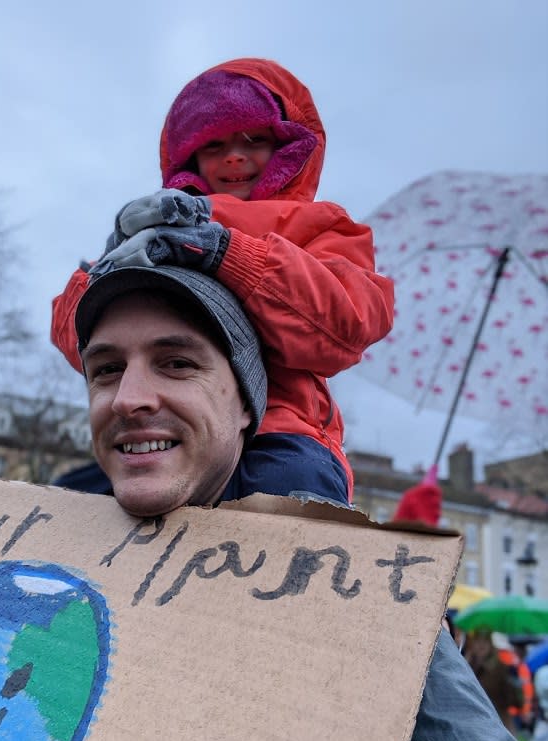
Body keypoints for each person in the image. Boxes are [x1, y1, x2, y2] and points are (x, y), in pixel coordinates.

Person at [67, 261, 548, 741]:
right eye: (106, 369)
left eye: (177, 363)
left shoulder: (361, 598)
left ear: (245, 405)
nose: (129, 397)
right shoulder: (31, 575)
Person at [51, 57, 395, 506]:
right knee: (70, 505)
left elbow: (346, 321)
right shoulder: (159, 225)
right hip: (167, 432)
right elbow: (78, 335)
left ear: (288, 146)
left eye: (254, 139)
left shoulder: (321, 227)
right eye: (214, 145)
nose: (234, 156)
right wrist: (110, 260)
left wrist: (230, 254)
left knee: (293, 501)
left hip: (280, 428)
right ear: (190, 156)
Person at [464, 630, 524, 735]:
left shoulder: (500, 667)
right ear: (472, 643)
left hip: (499, 726)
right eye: (477, 641)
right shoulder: (464, 666)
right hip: (473, 726)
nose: (481, 645)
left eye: (485, 641)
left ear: (491, 644)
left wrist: (513, 681)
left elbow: (516, 702)